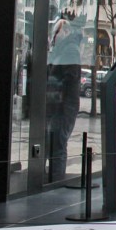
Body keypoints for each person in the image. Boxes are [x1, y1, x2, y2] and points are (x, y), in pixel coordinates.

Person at [47, 11, 84, 182]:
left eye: (57, 32)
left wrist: (53, 86)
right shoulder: (62, 50)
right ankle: (53, 179)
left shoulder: (69, 50)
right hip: (59, 106)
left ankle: (56, 180)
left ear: (65, 32)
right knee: (54, 144)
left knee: (58, 144)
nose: (55, 36)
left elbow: (69, 78)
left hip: (63, 107)